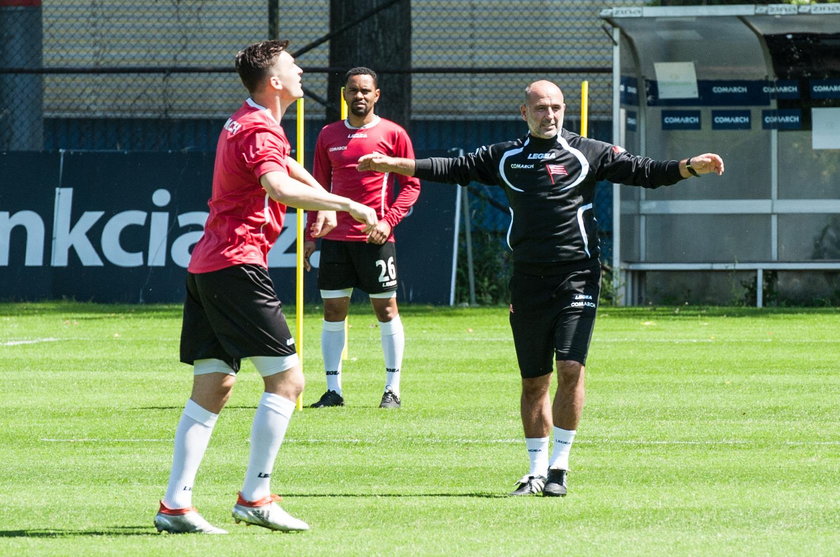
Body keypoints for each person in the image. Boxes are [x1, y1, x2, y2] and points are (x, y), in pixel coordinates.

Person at [357, 80, 724, 497]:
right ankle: (533, 472)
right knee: (535, 381)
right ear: (524, 112)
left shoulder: (589, 152)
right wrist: (393, 165)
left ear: (564, 110)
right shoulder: (507, 156)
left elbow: (646, 172)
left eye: (555, 108)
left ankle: (559, 469)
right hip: (528, 279)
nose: (549, 115)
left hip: (578, 275)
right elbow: (452, 169)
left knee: (571, 368)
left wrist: (690, 165)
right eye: (540, 108)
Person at [154, 40, 378, 534]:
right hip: (236, 266)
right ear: (274, 81)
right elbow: (277, 186)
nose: (301, 72)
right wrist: (350, 207)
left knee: (215, 385)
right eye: (292, 66)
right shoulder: (257, 126)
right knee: (289, 382)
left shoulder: (252, 118)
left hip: (209, 267)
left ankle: (175, 505)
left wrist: (323, 197)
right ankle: (256, 496)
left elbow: (287, 167)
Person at [304, 67, 421, 409]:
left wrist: (389, 221)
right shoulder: (328, 134)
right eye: (353, 90)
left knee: (386, 310)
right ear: (344, 94)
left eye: (365, 91)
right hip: (335, 241)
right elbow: (317, 188)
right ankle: (332, 391)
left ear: (377, 95)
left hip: (376, 239)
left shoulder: (393, 134)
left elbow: (411, 185)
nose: (359, 96)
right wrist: (313, 233)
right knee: (332, 311)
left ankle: (392, 390)